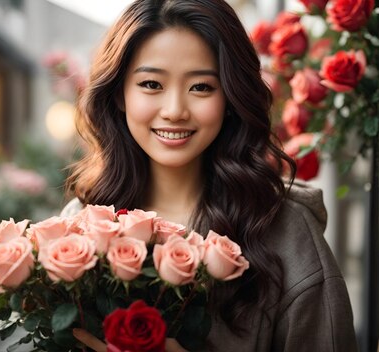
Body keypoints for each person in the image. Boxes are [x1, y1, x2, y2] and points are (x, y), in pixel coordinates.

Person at [60, 0, 357, 351]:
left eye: (201, 87)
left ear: (230, 97)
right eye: (152, 84)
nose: (174, 111)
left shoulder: (286, 234)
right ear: (120, 94)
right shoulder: (78, 229)